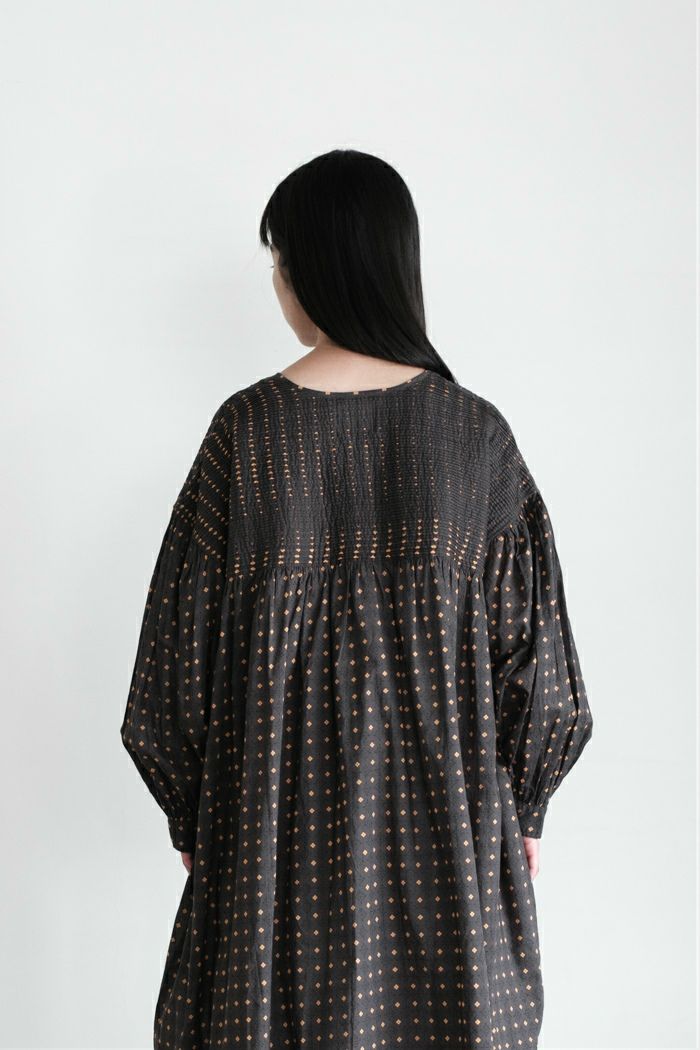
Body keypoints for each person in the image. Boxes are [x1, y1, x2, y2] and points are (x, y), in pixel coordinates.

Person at [120, 148, 593, 1050]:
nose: (277, 284)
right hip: (449, 867)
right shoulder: (475, 438)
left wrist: (193, 810)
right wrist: (524, 806)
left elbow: (171, 674)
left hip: (269, 863)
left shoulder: (245, 437)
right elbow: (542, 676)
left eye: (280, 261)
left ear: (321, 267)